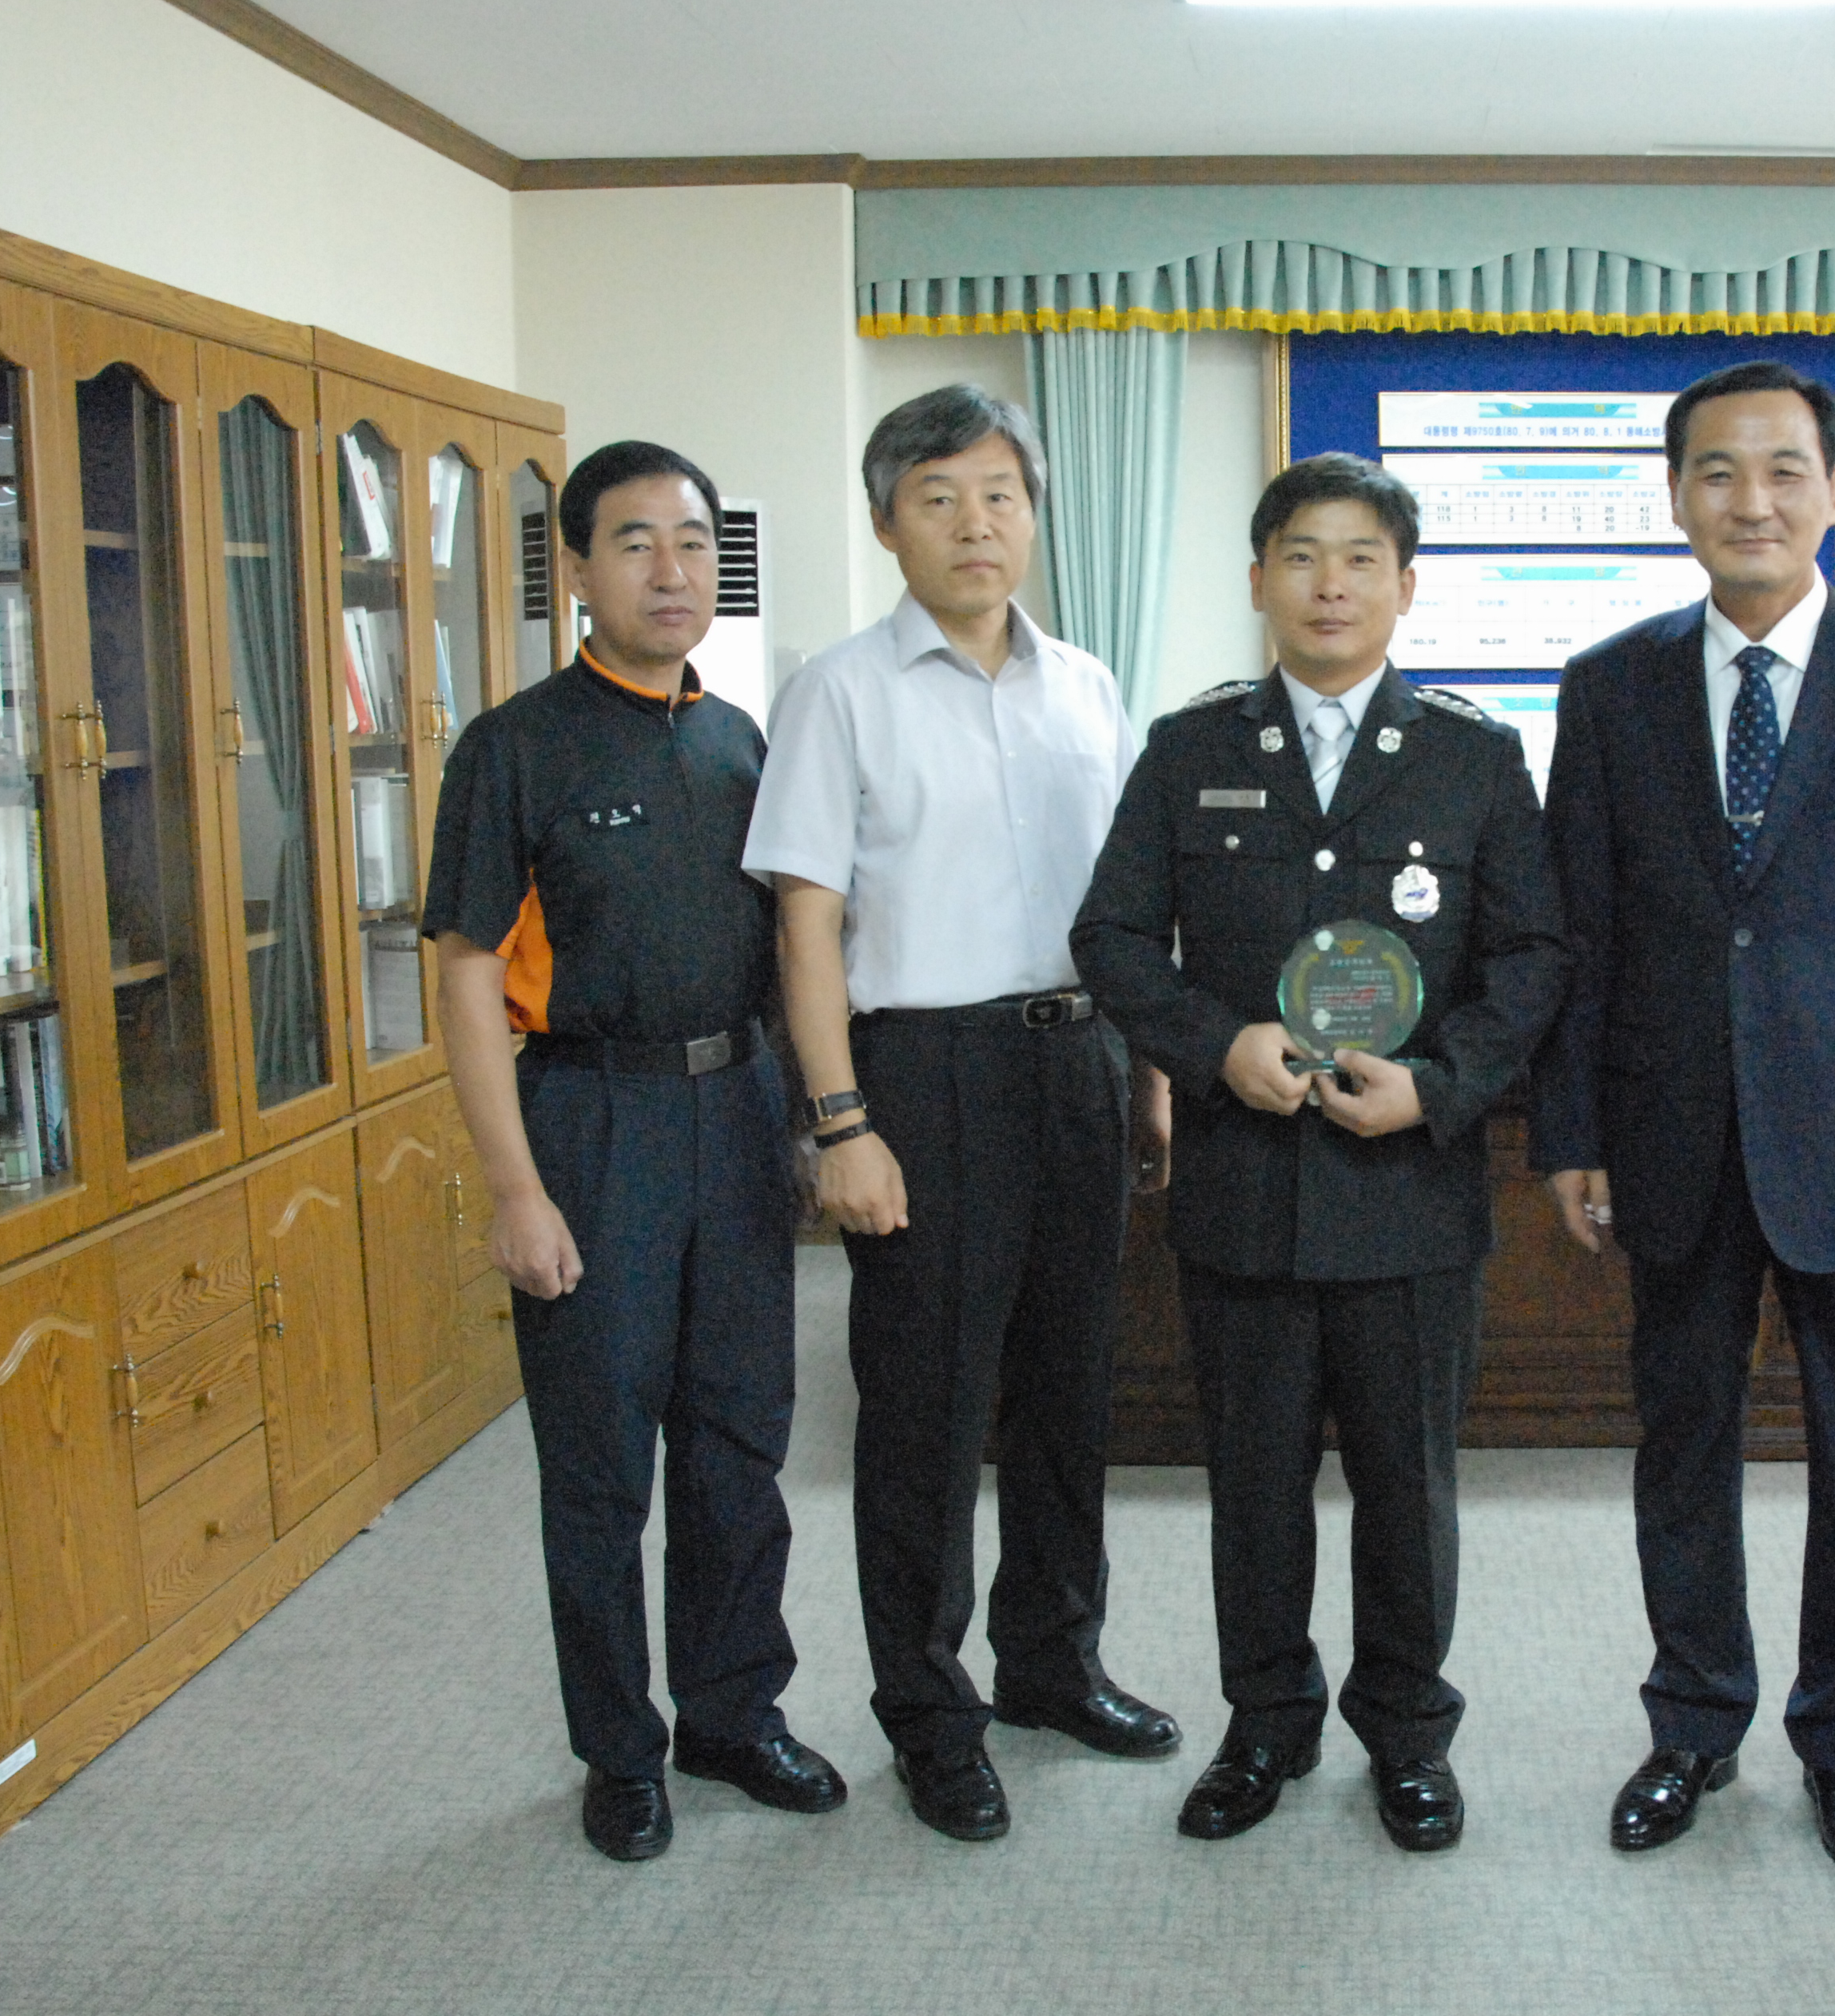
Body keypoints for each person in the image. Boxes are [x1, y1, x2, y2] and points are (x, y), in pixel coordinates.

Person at [1530, 360, 1835, 1883]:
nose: (1752, 500)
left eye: (1784, 469)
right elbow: (1580, 933)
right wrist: (1570, 1129)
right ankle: (1692, 1725)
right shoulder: (1608, 684)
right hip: (1670, 1133)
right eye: (1718, 471)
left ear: (1834, 488)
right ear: (1675, 495)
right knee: (1681, 1445)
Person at [1072, 453, 1563, 1855]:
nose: (1330, 585)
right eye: (1300, 557)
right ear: (1258, 581)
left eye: (1360, 560)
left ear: (1406, 587)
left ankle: (1408, 1735)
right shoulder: (1192, 749)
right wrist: (1212, 1044)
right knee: (1254, 1486)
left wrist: (1440, 1088)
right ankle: (1266, 1723)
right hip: (1248, 1185)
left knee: (1408, 1490)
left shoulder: (1474, 756)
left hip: (1410, 1194)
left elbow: (1534, 956)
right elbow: (1113, 937)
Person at [741, 385, 1177, 1844]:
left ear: (1034, 516)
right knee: (926, 1416)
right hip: (921, 1079)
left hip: (1080, 1064)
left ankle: (1054, 1665)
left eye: (1000, 494)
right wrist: (840, 1123)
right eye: (938, 497)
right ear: (888, 525)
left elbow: (1129, 911)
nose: (975, 523)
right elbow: (806, 927)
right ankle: (930, 1714)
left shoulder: (1089, 687)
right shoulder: (839, 692)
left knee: (1068, 1393)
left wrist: (1147, 1072)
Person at [424, 440, 844, 1863]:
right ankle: (620, 1750)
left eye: (695, 542)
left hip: (740, 1116)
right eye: (636, 542)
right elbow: (466, 973)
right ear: (578, 568)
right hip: (591, 1122)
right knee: (602, 1463)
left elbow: (792, 947)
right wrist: (515, 1188)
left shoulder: (743, 743)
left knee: (738, 1442)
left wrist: (811, 1122)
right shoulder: (517, 745)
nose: (674, 571)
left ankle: (733, 1713)